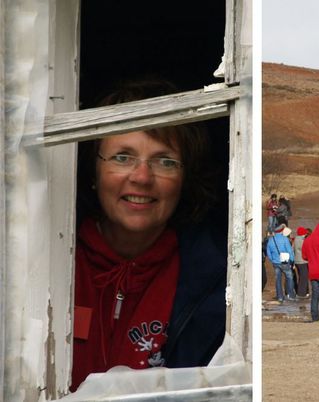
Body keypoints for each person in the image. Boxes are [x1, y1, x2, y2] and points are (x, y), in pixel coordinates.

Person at [73, 84, 228, 391]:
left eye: (165, 161)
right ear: (93, 171)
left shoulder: (215, 281)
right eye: (122, 157)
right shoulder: (41, 259)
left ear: (185, 179)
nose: (142, 177)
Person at [266, 225, 296, 302]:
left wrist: (272, 259)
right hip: (285, 262)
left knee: (278, 279)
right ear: (282, 231)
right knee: (289, 278)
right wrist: (292, 260)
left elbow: (268, 252)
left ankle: (280, 296)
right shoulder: (285, 239)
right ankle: (290, 295)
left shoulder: (271, 239)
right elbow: (290, 251)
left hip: (275, 262)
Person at [293, 227, 310, 298]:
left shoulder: (295, 239)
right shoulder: (302, 240)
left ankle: (302, 292)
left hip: (297, 261)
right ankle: (301, 294)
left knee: (301, 276)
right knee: (304, 277)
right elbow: (305, 250)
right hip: (302, 261)